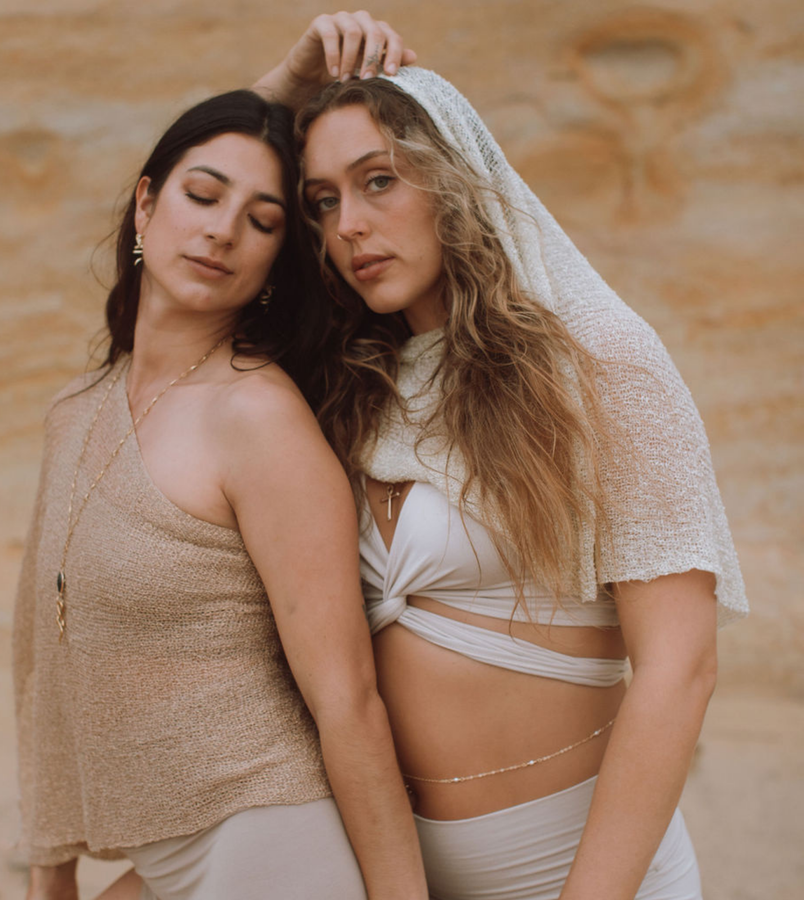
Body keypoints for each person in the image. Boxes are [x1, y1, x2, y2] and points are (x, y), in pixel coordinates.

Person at [266, 61, 749, 900]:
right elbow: (188, 245)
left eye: (379, 180)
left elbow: (680, 668)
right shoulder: (351, 389)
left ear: (455, 179)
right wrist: (283, 87)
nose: (350, 225)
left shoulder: (598, 364)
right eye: (323, 201)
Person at [12, 82, 428, 900]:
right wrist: (49, 871)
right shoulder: (77, 412)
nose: (223, 230)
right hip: (164, 858)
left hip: (269, 838)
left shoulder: (258, 420)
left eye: (263, 221)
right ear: (145, 206)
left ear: (276, 260)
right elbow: (40, 654)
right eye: (202, 196)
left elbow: (347, 699)